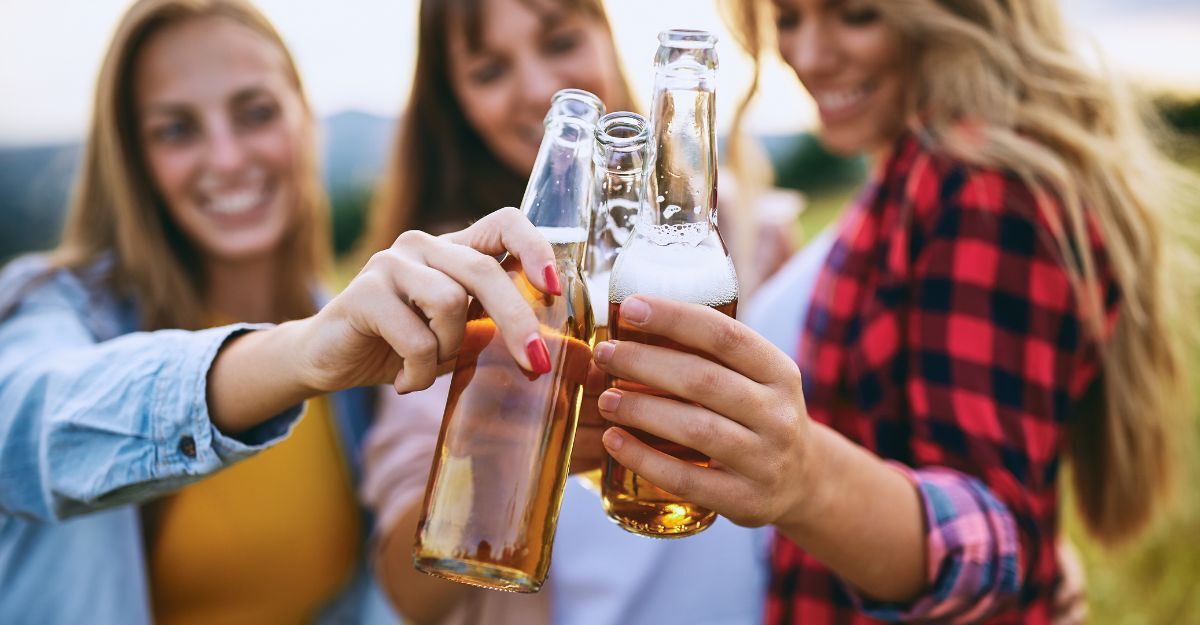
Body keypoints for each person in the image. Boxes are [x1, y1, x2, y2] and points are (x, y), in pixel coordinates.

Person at [593, 0, 1197, 623]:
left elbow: (1000, 541)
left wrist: (809, 478)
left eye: (856, 15)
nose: (809, 56)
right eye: (788, 20)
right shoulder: (908, 167)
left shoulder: (979, 185)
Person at [0, 1, 564, 623]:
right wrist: (300, 354)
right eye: (176, 129)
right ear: (134, 157)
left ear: (305, 118)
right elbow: (21, 429)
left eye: (256, 113)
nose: (228, 157)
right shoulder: (61, 307)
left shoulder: (362, 355)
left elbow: (368, 603)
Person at [358, 1, 770, 624]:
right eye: (489, 70)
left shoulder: (732, 235)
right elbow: (404, 584)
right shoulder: (452, 282)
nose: (537, 88)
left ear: (606, 37)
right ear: (454, 103)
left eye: (559, 41)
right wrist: (504, 450)